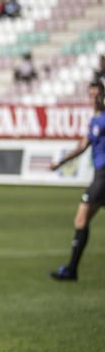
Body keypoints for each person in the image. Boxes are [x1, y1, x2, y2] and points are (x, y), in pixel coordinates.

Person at [48, 81, 105, 281]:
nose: (94, 98)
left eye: (97, 94)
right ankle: (72, 269)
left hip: (103, 177)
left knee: (80, 220)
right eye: (91, 95)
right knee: (82, 221)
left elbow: (82, 146)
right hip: (100, 175)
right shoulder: (95, 120)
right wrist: (60, 163)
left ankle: (72, 270)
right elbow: (82, 146)